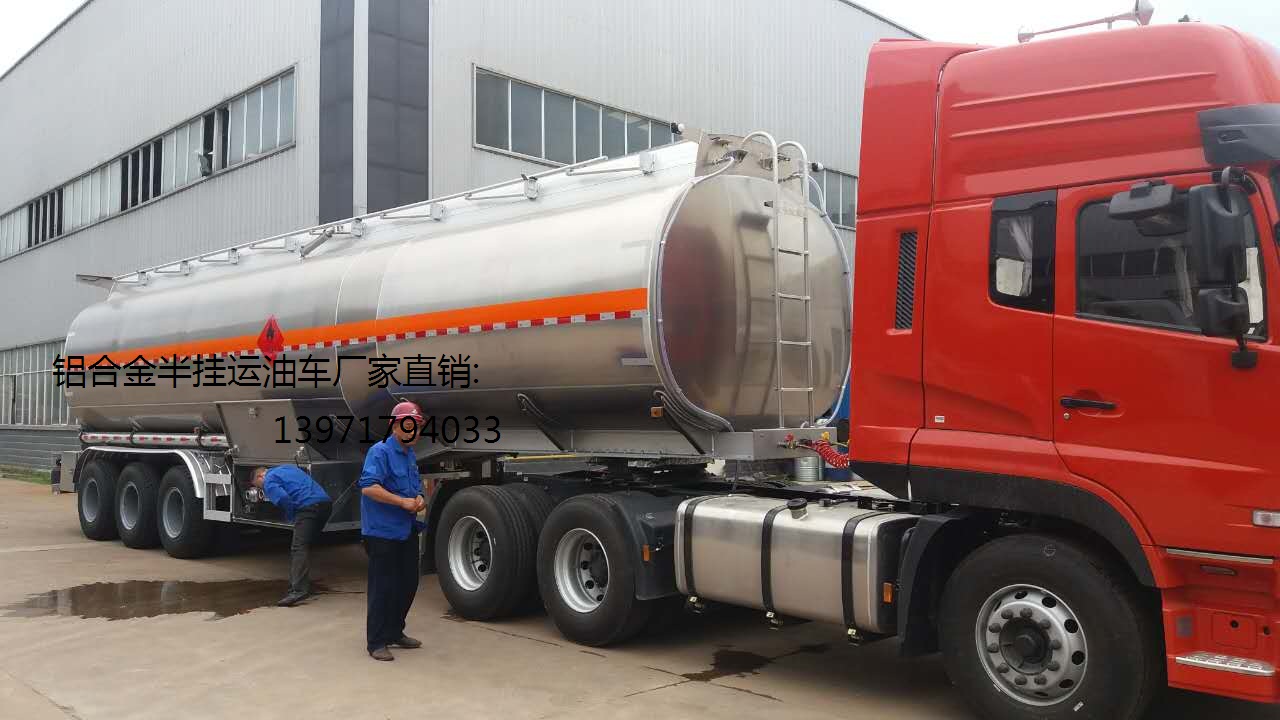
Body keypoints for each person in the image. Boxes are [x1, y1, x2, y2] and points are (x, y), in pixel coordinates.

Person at [359, 401, 428, 661]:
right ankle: (376, 642)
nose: (414, 431)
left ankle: (394, 631)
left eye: (418, 426)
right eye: (409, 425)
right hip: (382, 532)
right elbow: (369, 487)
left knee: (408, 583)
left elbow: (415, 487)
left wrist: (420, 498)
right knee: (383, 587)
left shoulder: (409, 454)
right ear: (395, 426)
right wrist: (401, 502)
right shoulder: (380, 452)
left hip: (405, 529)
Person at [249, 465, 333, 607]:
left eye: (259, 486)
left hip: (308, 508)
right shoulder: (287, 468)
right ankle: (302, 582)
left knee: (298, 547)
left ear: (260, 476)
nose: (262, 488)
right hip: (325, 504)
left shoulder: (269, 480)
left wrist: (291, 516)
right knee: (306, 543)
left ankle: (298, 590)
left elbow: (283, 498)